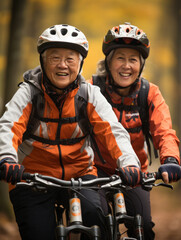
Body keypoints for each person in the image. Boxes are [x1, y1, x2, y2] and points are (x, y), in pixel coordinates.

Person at [0, 24, 141, 240]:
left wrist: (129, 162)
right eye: (54, 57)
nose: (63, 65)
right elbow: (9, 126)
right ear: (43, 62)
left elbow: (113, 131)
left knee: (97, 218)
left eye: (70, 59)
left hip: (81, 175)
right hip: (32, 178)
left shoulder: (88, 94)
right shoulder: (28, 93)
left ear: (80, 63)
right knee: (38, 233)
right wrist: (7, 158)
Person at [88, 22, 181, 239]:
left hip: (134, 173)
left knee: (144, 228)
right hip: (95, 172)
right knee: (95, 224)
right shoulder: (91, 89)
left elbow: (164, 130)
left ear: (141, 65)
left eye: (133, 60)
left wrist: (171, 159)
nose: (126, 66)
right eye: (120, 58)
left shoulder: (149, 93)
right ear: (108, 62)